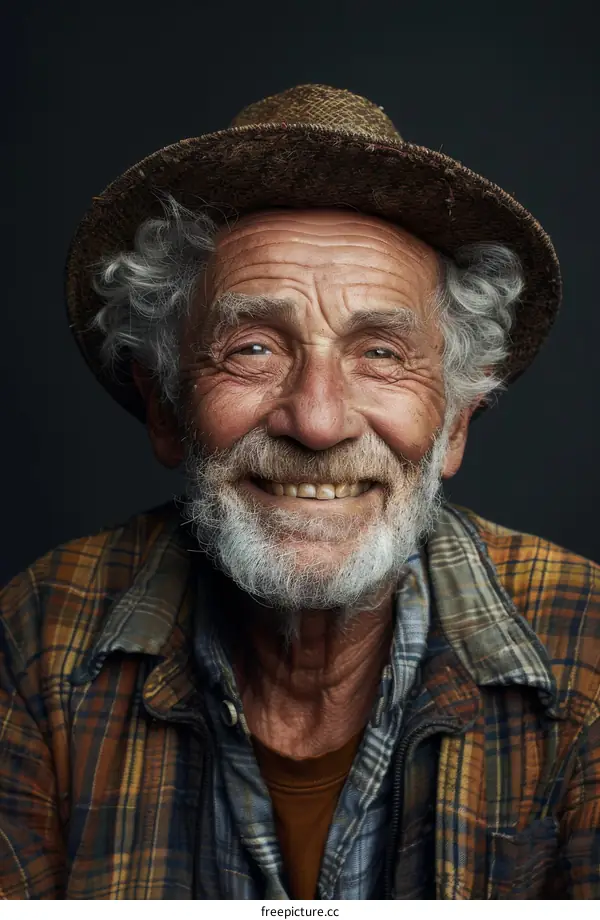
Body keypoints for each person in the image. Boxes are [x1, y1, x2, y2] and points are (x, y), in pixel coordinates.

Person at [0, 83, 598, 901]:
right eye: (251, 347)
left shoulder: (589, 647)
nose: (317, 421)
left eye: (381, 353)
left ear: (456, 422)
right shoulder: (36, 638)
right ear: (166, 406)